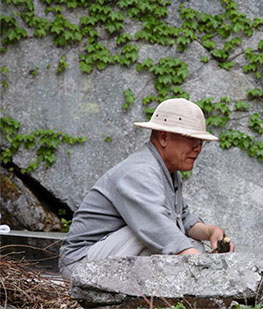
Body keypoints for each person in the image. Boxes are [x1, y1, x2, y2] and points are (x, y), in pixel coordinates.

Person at [59, 98, 234, 277]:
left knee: (191, 244)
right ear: (164, 137)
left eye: (200, 142)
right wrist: (206, 272)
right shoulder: (139, 171)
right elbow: (157, 228)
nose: (198, 148)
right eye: (191, 139)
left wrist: (210, 232)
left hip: (104, 256)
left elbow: (183, 218)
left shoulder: (167, 170)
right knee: (167, 240)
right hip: (79, 265)